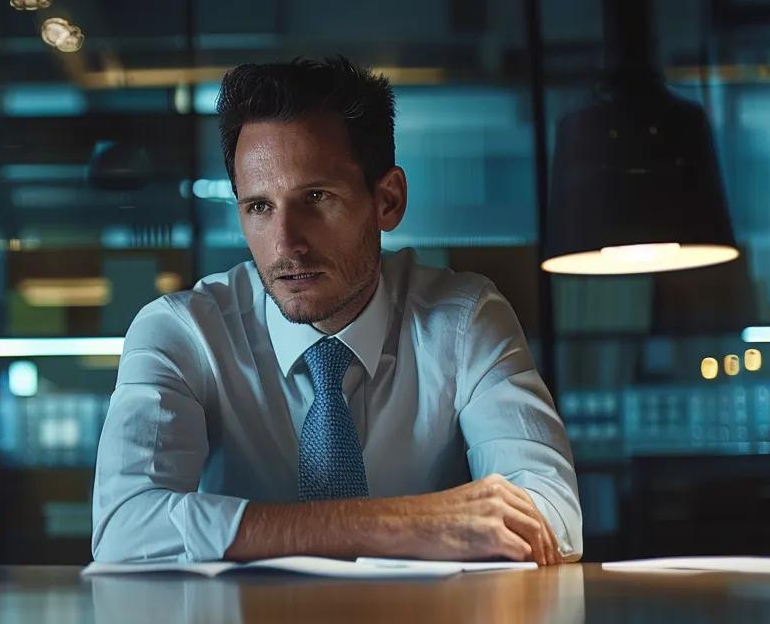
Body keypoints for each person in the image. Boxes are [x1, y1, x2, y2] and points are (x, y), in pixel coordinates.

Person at [91, 57, 581, 565]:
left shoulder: (462, 319)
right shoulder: (182, 331)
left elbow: (553, 517)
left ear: (387, 200)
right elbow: (125, 532)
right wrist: (397, 525)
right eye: (259, 207)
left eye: (316, 197)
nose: (286, 243)